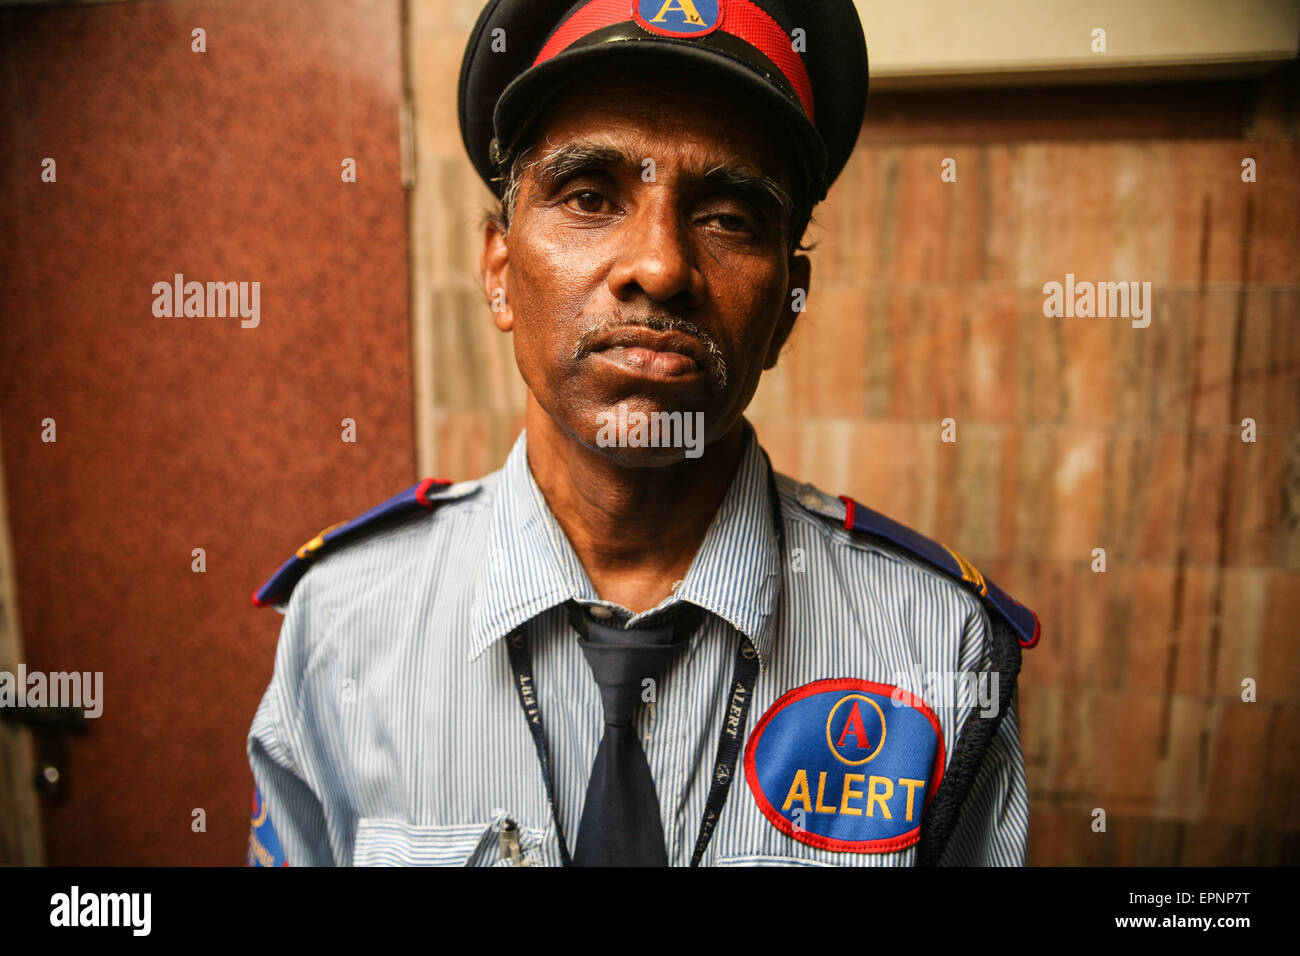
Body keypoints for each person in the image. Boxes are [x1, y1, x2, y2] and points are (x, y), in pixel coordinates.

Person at [245, 0, 1040, 868]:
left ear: (786, 308)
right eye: (590, 196)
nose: (660, 266)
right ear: (501, 272)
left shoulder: (932, 643)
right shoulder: (345, 621)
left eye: (729, 216)